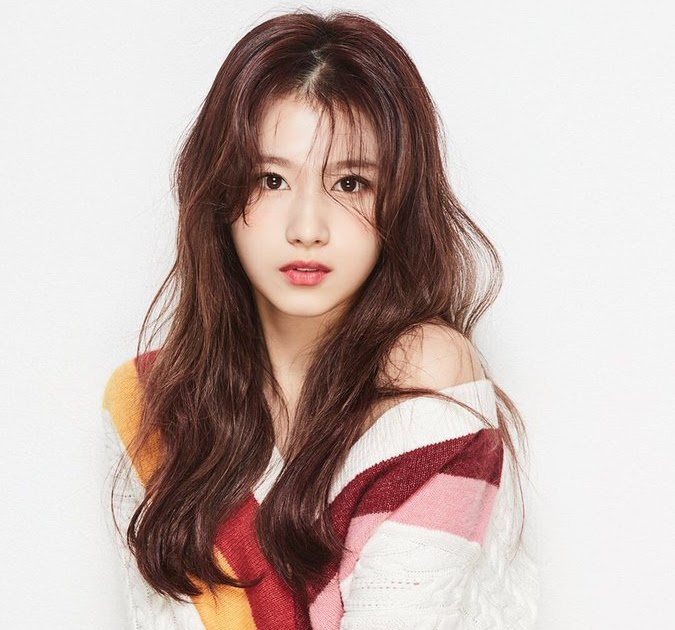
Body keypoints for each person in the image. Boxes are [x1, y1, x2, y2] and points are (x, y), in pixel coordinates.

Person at [101, 9, 539, 629]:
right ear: (221, 194)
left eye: (351, 183)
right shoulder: (150, 402)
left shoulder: (428, 379)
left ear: (399, 201)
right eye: (271, 179)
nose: (307, 227)